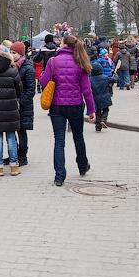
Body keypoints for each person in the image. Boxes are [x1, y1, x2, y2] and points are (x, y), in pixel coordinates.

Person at [39, 35, 95, 187]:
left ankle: (59, 176)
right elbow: (86, 89)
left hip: (57, 106)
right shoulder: (80, 61)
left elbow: (43, 82)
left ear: (63, 45)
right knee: (78, 137)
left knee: (59, 141)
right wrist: (91, 110)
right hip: (76, 105)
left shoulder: (53, 61)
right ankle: (82, 166)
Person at [11, 41, 35, 167]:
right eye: (10, 52)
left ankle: (22, 156)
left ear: (20, 53)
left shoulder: (27, 68)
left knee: (21, 130)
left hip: (23, 105)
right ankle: (13, 154)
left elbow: (31, 89)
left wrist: (21, 102)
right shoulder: (11, 66)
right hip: (12, 103)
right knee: (11, 131)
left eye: (14, 52)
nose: (11, 55)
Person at [89, 63, 113, 132]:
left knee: (98, 112)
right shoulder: (105, 77)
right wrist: (115, 75)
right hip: (105, 97)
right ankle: (104, 119)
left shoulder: (90, 79)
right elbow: (114, 79)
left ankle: (98, 127)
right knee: (106, 109)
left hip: (96, 98)